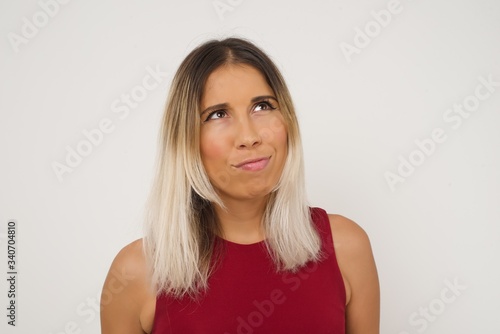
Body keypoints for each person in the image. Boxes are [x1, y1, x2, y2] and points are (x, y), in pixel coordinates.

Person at [100, 37, 380, 334]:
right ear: (185, 139)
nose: (249, 136)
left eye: (262, 106)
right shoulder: (136, 274)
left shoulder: (345, 248)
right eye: (218, 114)